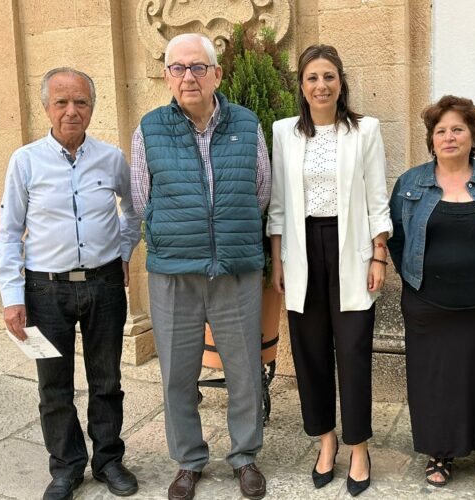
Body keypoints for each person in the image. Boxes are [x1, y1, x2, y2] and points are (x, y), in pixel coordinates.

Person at [131, 33, 271, 500]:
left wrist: (225, 232)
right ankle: (189, 461)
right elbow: (141, 200)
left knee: (244, 370)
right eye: (177, 68)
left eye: (197, 67)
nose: (187, 76)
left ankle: (245, 456)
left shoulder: (247, 125)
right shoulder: (148, 129)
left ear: (216, 74)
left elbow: (260, 192)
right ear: (168, 76)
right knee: (176, 372)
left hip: (235, 268)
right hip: (174, 273)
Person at [0, 67, 141, 500]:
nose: (72, 111)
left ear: (92, 108)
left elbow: (133, 210)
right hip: (45, 290)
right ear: (46, 107)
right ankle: (66, 466)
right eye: (62, 102)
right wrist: (12, 297)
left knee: (107, 380)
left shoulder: (111, 158)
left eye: (81, 102)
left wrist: (125, 252)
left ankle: (109, 460)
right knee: (54, 385)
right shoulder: (25, 161)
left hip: (104, 285)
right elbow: (8, 233)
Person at [267, 44, 392, 497]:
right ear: (301, 86)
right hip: (302, 254)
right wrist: (278, 258)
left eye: (329, 77)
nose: (321, 85)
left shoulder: (364, 130)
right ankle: (326, 439)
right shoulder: (284, 132)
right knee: (310, 352)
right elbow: (278, 203)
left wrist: (379, 253)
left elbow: (377, 196)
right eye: (312, 78)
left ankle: (358, 445)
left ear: (341, 83)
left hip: (352, 250)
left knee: (354, 350)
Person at [387, 95, 475, 488]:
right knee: (436, 378)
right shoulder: (411, 182)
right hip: (430, 305)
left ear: (473, 137)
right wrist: (416, 277)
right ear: (431, 139)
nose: (449, 137)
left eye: (457, 129)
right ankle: (439, 453)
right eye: (440, 130)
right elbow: (397, 237)